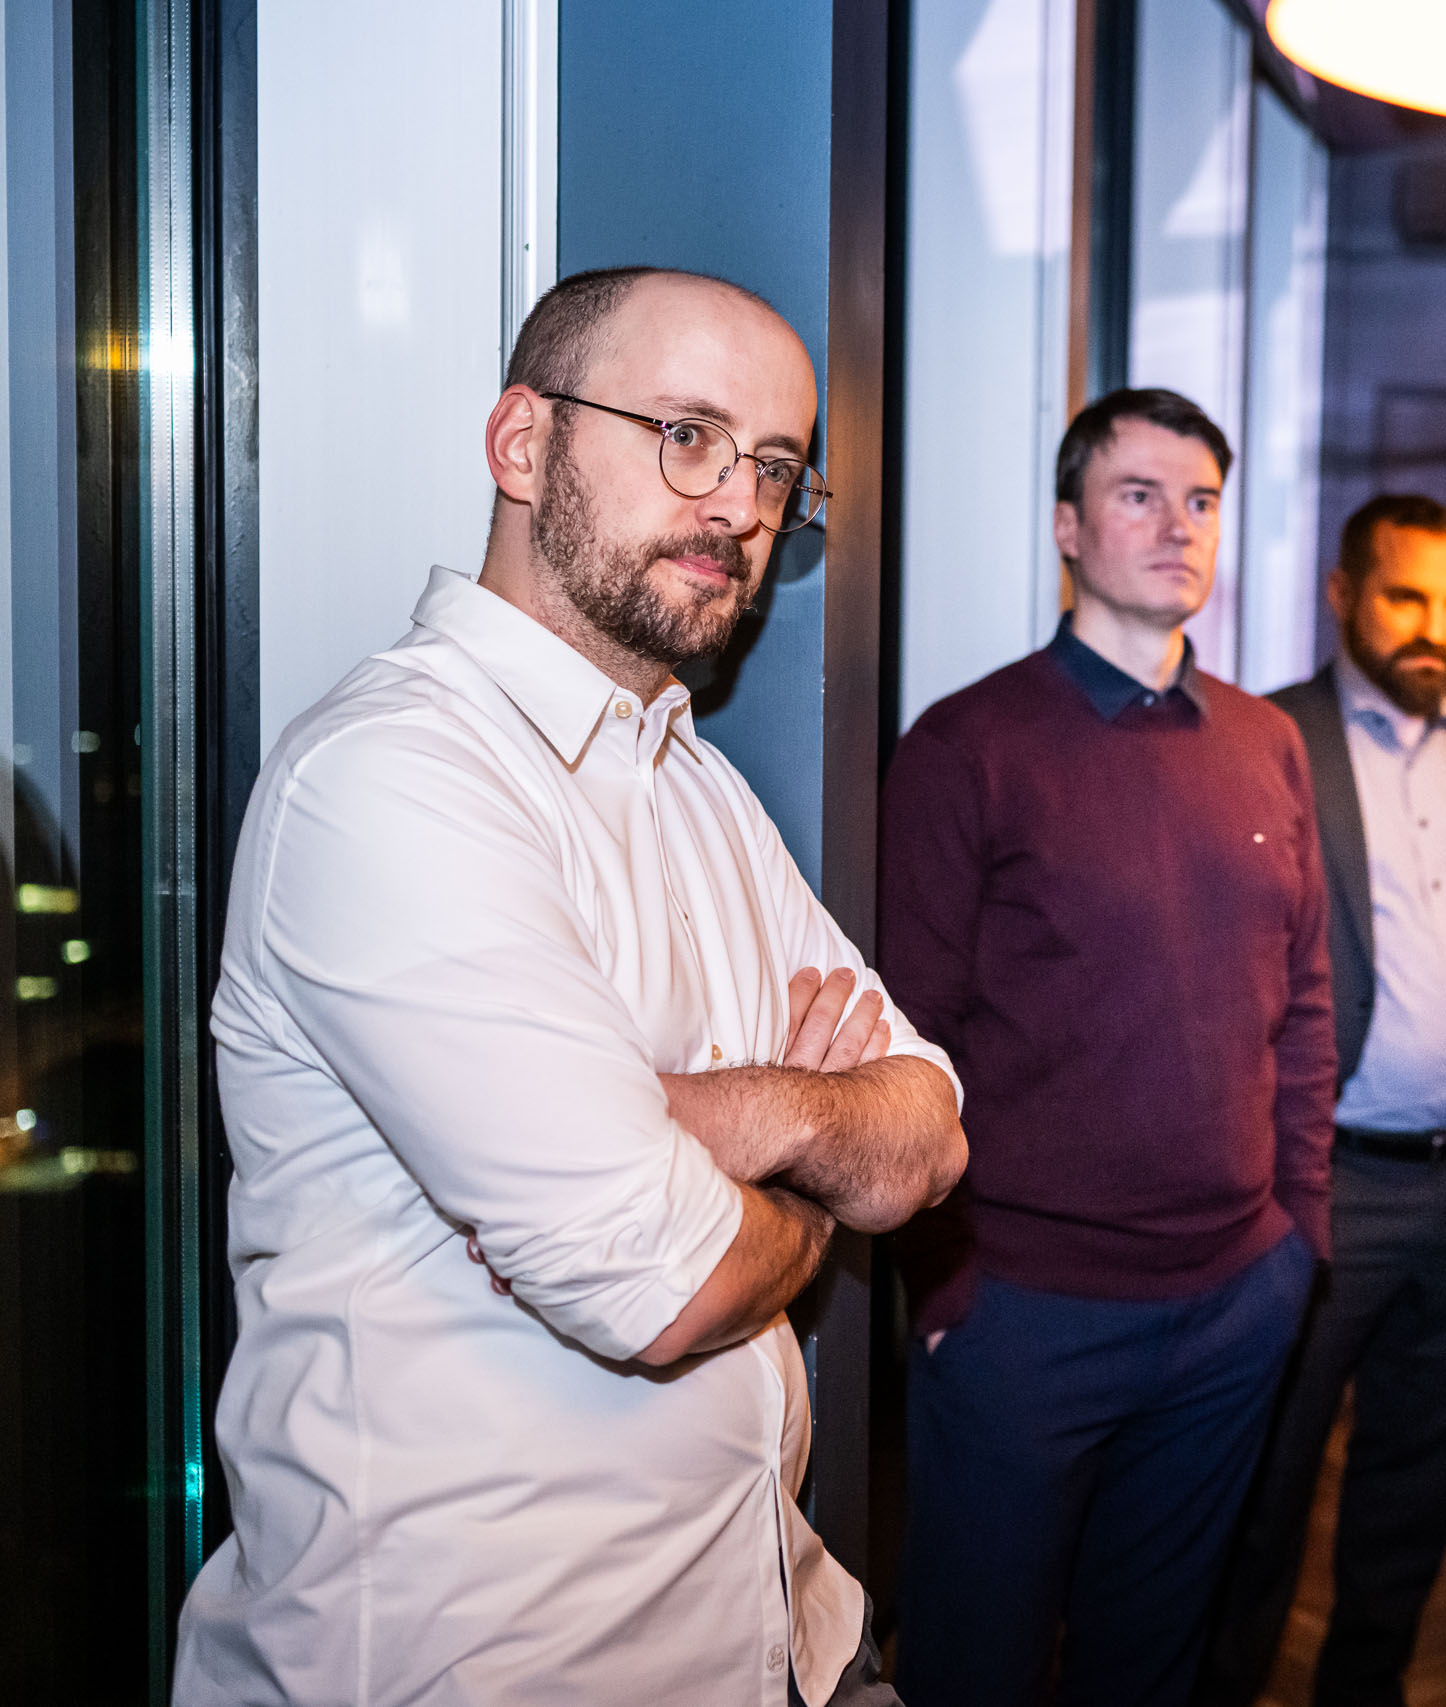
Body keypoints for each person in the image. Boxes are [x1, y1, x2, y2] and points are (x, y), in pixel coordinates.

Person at [173, 267, 967, 1707]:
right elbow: (665, 1286)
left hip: (784, 1632)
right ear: (523, 443)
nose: (740, 505)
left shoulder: (699, 787)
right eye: (688, 435)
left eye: (775, 466)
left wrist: (730, 1119)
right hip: (489, 1668)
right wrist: (816, 1173)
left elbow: (930, 1134)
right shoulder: (390, 777)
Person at [879, 388, 1333, 1707]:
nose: (1178, 526)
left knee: (1151, 1668)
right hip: (1026, 1314)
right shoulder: (969, 746)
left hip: (1235, 1302)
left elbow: (1306, 1005)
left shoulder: (1267, 743)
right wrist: (946, 1288)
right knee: (977, 1670)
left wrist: (1299, 1237)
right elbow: (908, 1036)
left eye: (1201, 501)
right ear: (1068, 528)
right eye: (1140, 495)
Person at [1200, 493, 1446, 1706]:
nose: (1437, 628)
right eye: (1407, 598)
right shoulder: (1266, 738)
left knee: (1416, 1490)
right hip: (1323, 1182)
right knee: (1264, 1487)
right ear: (1342, 596)